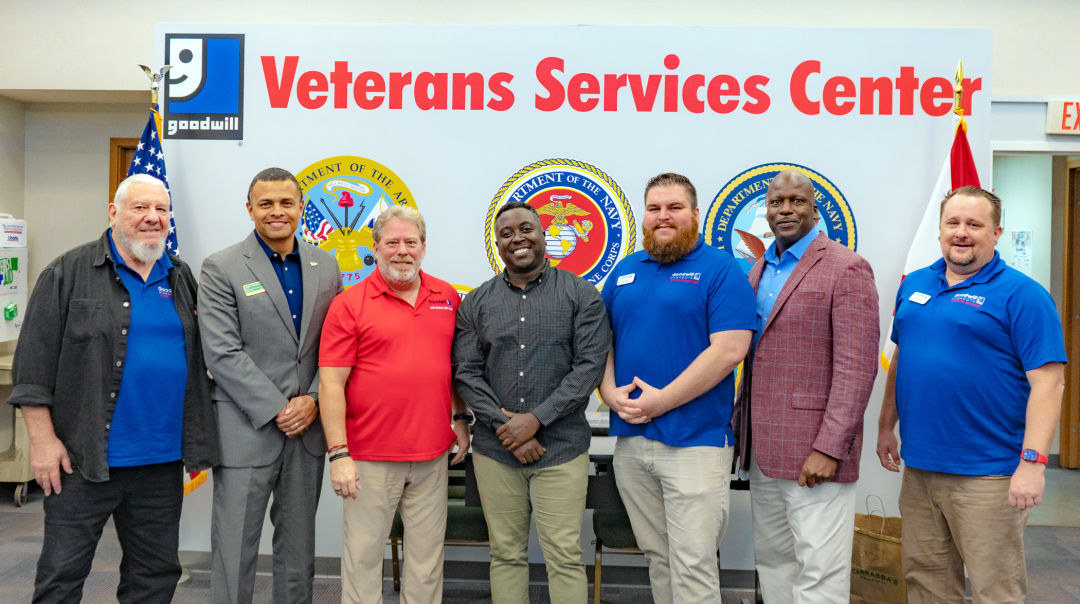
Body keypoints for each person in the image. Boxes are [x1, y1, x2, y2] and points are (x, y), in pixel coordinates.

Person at [7, 173, 219, 602]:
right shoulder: (68, 272)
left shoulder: (179, 276)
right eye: (140, 208)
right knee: (62, 577)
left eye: (161, 209)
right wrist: (43, 442)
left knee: (155, 577)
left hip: (161, 461)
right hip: (83, 458)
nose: (152, 218)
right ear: (113, 213)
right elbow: (32, 366)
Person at [877, 186, 1067, 603]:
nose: (962, 233)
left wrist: (1033, 465)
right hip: (921, 469)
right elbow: (902, 357)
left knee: (994, 589)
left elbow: (1049, 385)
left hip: (989, 476)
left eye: (974, 224)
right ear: (941, 229)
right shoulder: (915, 284)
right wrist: (885, 426)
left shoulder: (1024, 295)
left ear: (996, 232)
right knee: (925, 583)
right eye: (953, 223)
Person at [599, 172, 755, 604]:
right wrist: (608, 392)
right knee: (658, 557)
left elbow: (729, 350)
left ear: (696, 214)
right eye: (654, 208)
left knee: (693, 562)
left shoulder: (722, 270)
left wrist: (661, 401)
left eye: (674, 207)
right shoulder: (627, 270)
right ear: (643, 215)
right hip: (632, 440)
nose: (663, 216)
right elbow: (600, 340)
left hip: (696, 443)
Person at [452, 201, 610, 604]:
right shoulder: (477, 303)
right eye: (506, 233)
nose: (517, 238)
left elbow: (589, 367)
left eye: (526, 229)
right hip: (495, 451)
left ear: (543, 235)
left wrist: (536, 420)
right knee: (505, 554)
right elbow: (467, 371)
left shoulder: (581, 295)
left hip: (561, 449)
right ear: (498, 244)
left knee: (564, 556)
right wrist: (511, 430)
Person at [732, 170, 879, 602]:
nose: (786, 210)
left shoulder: (846, 267)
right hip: (761, 449)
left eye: (797, 201)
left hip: (815, 453)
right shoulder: (759, 267)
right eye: (777, 203)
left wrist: (829, 447)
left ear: (815, 208)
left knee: (820, 573)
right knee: (774, 563)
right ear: (767, 211)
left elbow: (856, 369)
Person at [199, 167, 342, 604]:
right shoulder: (221, 266)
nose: (277, 212)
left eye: (286, 203)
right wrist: (280, 408)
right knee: (234, 549)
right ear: (250, 210)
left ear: (301, 208)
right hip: (247, 428)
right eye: (266, 204)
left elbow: (336, 346)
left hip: (308, 432)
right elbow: (222, 352)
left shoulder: (326, 264)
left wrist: (315, 398)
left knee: (299, 552)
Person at [318, 206, 470, 604]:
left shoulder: (447, 296)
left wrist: (459, 418)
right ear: (375, 248)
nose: (402, 251)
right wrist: (339, 454)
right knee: (363, 559)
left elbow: (453, 368)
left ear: (423, 247)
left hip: (431, 455)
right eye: (392, 243)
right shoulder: (349, 304)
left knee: (426, 561)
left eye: (411, 242)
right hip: (368, 457)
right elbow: (331, 384)